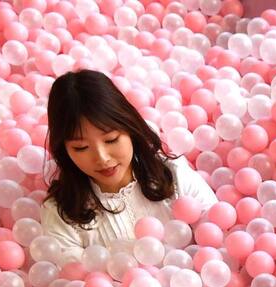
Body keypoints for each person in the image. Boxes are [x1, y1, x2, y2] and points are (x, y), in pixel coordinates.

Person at [40, 69, 218, 264]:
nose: (102, 158)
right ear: (64, 151)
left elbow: (217, 241)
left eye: (111, 140)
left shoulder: (173, 175)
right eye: (81, 147)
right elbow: (76, 284)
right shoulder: (62, 214)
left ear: (130, 128)